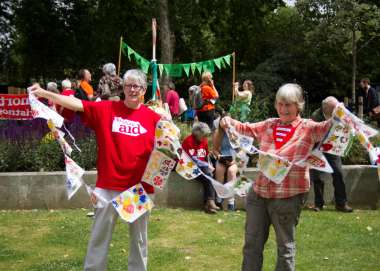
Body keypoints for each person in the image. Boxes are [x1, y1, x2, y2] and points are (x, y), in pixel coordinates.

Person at [29, 69, 161, 271]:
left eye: (137, 86)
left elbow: (167, 149)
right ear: (123, 88)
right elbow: (77, 104)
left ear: (144, 90)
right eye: (129, 85)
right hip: (108, 186)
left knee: (139, 241)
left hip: (138, 189)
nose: (132, 89)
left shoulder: (153, 118)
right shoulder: (107, 109)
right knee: (99, 238)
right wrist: (45, 94)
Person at [220, 83, 334, 271]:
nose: (283, 109)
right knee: (251, 246)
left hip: (288, 197)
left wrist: (335, 109)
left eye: (288, 105)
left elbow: (332, 127)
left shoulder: (309, 128)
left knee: (285, 248)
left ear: (299, 105)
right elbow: (243, 128)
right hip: (259, 195)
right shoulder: (269, 124)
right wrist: (226, 120)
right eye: (280, 104)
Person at [310, 97, 353, 213]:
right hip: (318, 147)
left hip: (333, 147)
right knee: (318, 177)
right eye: (334, 107)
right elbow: (314, 134)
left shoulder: (340, 113)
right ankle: (318, 204)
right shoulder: (316, 116)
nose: (337, 109)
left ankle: (341, 203)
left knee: (338, 173)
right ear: (326, 108)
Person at [182, 122, 219, 214]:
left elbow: (206, 156)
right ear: (196, 132)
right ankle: (210, 202)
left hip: (203, 168)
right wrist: (207, 165)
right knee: (208, 177)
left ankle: (209, 204)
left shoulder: (204, 141)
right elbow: (193, 159)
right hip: (189, 167)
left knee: (209, 176)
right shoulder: (188, 141)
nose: (205, 137)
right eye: (203, 134)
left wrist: (209, 164)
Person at [213, 113, 238, 211]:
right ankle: (219, 199)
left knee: (231, 172)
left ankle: (231, 202)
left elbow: (242, 150)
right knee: (219, 170)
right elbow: (215, 149)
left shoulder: (236, 132)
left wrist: (234, 161)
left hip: (235, 159)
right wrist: (219, 156)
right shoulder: (218, 133)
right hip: (223, 157)